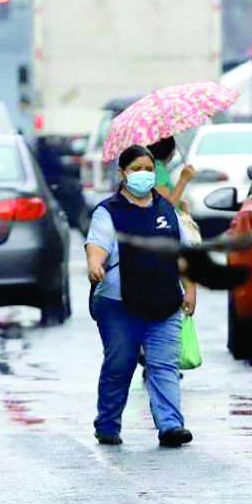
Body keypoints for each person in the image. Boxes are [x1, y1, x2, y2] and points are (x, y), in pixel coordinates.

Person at [86, 144, 197, 448]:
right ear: (123, 174)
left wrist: (190, 289)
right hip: (119, 304)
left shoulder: (167, 211)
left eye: (149, 169)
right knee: (120, 364)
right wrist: (95, 264)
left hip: (165, 303)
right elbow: (97, 245)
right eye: (136, 169)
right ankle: (107, 424)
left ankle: (171, 425)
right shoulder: (109, 212)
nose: (144, 175)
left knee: (164, 366)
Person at [147, 135, 195, 207]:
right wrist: (183, 180)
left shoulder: (156, 167)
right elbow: (166, 205)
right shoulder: (158, 170)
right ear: (171, 151)